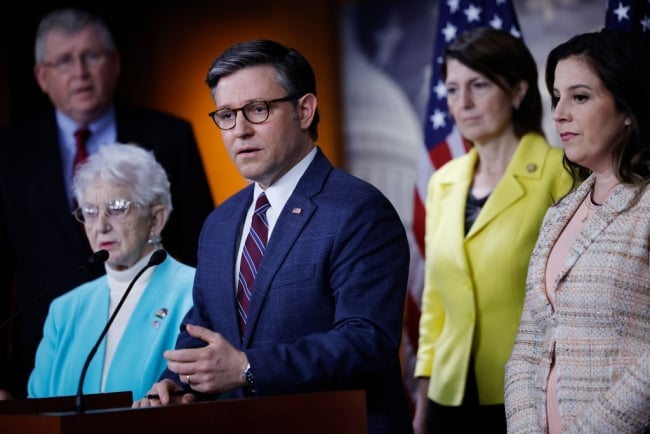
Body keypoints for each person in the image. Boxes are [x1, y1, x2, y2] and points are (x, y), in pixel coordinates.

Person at [132, 38, 413, 434]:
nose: (239, 130)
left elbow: (366, 343)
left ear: (304, 110)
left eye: (257, 110)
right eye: (226, 115)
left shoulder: (359, 210)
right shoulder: (220, 223)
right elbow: (205, 326)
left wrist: (248, 369)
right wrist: (179, 384)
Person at [0, 7, 213, 398]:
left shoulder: (170, 136)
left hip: (162, 344)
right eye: (64, 60)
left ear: (115, 64)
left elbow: (203, 241)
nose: (79, 71)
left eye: (92, 56)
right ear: (41, 77)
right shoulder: (8, 152)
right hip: (49, 358)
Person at [412, 27, 571, 434]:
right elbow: (436, 299)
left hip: (532, 390)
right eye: (451, 89)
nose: (461, 103)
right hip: (449, 392)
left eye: (478, 85)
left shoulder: (560, 172)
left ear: (518, 90)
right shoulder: (442, 181)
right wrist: (424, 386)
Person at [504, 29, 650, 433]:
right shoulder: (560, 212)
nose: (559, 113)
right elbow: (529, 344)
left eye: (580, 97)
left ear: (627, 108)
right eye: (556, 97)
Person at [28, 143, 195, 399]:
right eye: (90, 212)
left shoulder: (195, 293)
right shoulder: (65, 309)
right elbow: (37, 410)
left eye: (116, 208)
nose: (101, 226)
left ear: (156, 219)